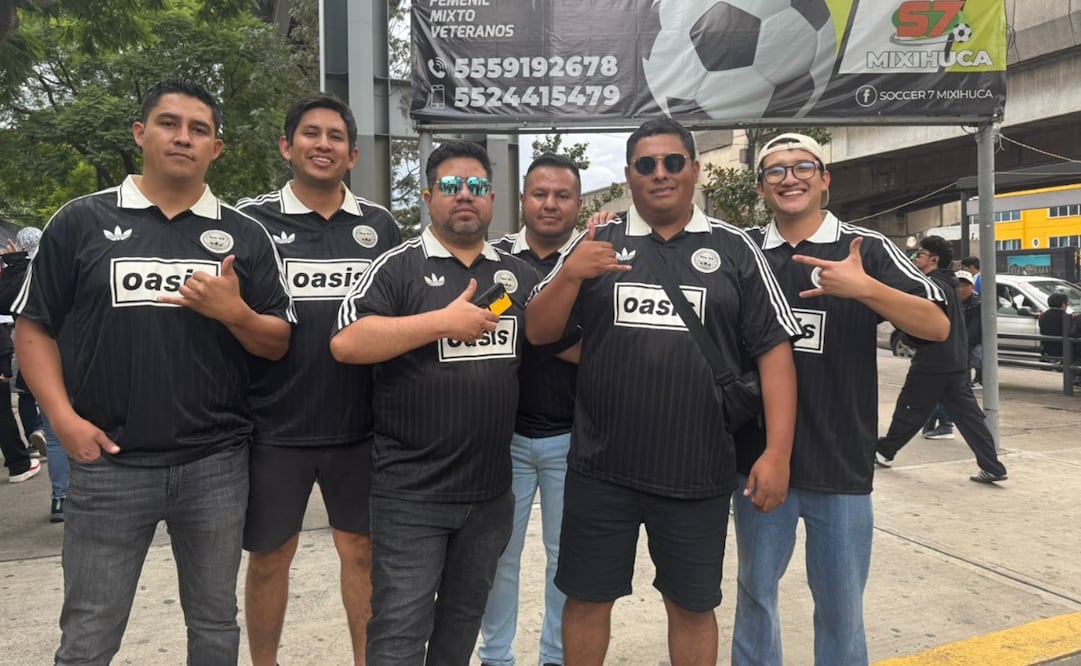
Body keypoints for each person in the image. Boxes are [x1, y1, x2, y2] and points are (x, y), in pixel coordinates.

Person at [13, 80, 295, 665]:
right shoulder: (81, 221)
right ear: (142, 134)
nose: (184, 138)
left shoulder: (245, 235)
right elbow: (32, 329)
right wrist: (63, 422)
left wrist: (235, 312)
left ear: (216, 148)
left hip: (215, 465)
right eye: (170, 124)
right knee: (89, 635)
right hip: (109, 465)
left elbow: (277, 341)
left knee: (216, 625)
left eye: (199, 129)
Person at [526, 118, 802, 666]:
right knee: (584, 601)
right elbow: (537, 333)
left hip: (697, 473)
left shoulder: (736, 249)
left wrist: (777, 454)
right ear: (628, 175)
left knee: (693, 606)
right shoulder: (597, 242)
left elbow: (775, 352)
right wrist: (571, 275)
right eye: (646, 165)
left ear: (695, 171)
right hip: (600, 469)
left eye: (673, 162)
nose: (660, 174)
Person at [733, 133, 950, 666]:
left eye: (804, 166)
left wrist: (866, 290)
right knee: (756, 596)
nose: (791, 178)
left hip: (841, 464)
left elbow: (938, 325)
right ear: (761, 187)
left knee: (840, 607)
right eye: (777, 170)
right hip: (759, 464)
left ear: (825, 179)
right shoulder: (742, 253)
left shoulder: (865, 249)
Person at [330, 140, 541, 665]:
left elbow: (556, 340)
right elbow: (347, 342)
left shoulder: (516, 277)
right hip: (411, 495)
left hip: (490, 496)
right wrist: (441, 323)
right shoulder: (397, 267)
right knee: (399, 631)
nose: (463, 196)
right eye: (449, 186)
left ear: (493, 199)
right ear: (428, 196)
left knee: (461, 626)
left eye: (475, 187)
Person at [237, 93, 401, 666]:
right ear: (287, 146)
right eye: (311, 134)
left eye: (335, 137)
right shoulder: (249, 222)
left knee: (361, 554)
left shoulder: (379, 225)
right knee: (269, 558)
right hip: (274, 427)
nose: (322, 144)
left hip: (360, 428)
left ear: (353, 154)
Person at [478, 154, 581, 666]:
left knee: (567, 561)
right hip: (505, 439)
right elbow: (485, 319)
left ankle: (556, 656)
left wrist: (537, 330)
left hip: (575, 438)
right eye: (540, 193)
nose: (550, 204)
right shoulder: (491, 258)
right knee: (500, 558)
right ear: (522, 199)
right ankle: (496, 656)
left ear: (578, 204)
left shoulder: (593, 259)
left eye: (562, 195)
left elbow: (600, 341)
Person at [875, 236, 1009, 485]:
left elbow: (918, 322)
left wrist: (908, 335)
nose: (915, 259)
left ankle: (884, 451)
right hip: (956, 361)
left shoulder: (931, 286)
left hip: (933, 360)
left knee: (910, 408)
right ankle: (992, 465)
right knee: (969, 417)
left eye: (920, 254)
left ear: (934, 259)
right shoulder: (948, 284)